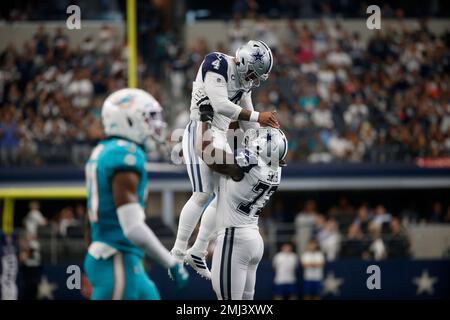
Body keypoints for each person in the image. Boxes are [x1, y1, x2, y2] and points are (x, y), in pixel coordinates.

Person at [171, 40, 279, 279]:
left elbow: (249, 121)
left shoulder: (244, 81)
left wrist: (260, 143)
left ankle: (198, 250)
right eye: (251, 72)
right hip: (200, 129)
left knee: (223, 195)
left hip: (220, 136)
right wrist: (259, 116)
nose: (252, 79)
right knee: (201, 194)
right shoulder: (217, 63)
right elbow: (220, 105)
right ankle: (177, 253)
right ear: (241, 60)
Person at [83, 88, 188, 300]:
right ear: (128, 120)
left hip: (123, 258)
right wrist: (171, 262)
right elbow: (132, 227)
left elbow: (91, 219)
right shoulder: (124, 155)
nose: (155, 125)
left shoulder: (105, 150)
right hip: (116, 259)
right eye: (148, 119)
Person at [198, 105, 287, 299]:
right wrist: (234, 111)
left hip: (234, 239)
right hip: (253, 238)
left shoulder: (246, 164)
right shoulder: (275, 168)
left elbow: (206, 152)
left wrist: (204, 120)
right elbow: (235, 142)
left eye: (259, 136)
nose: (254, 136)